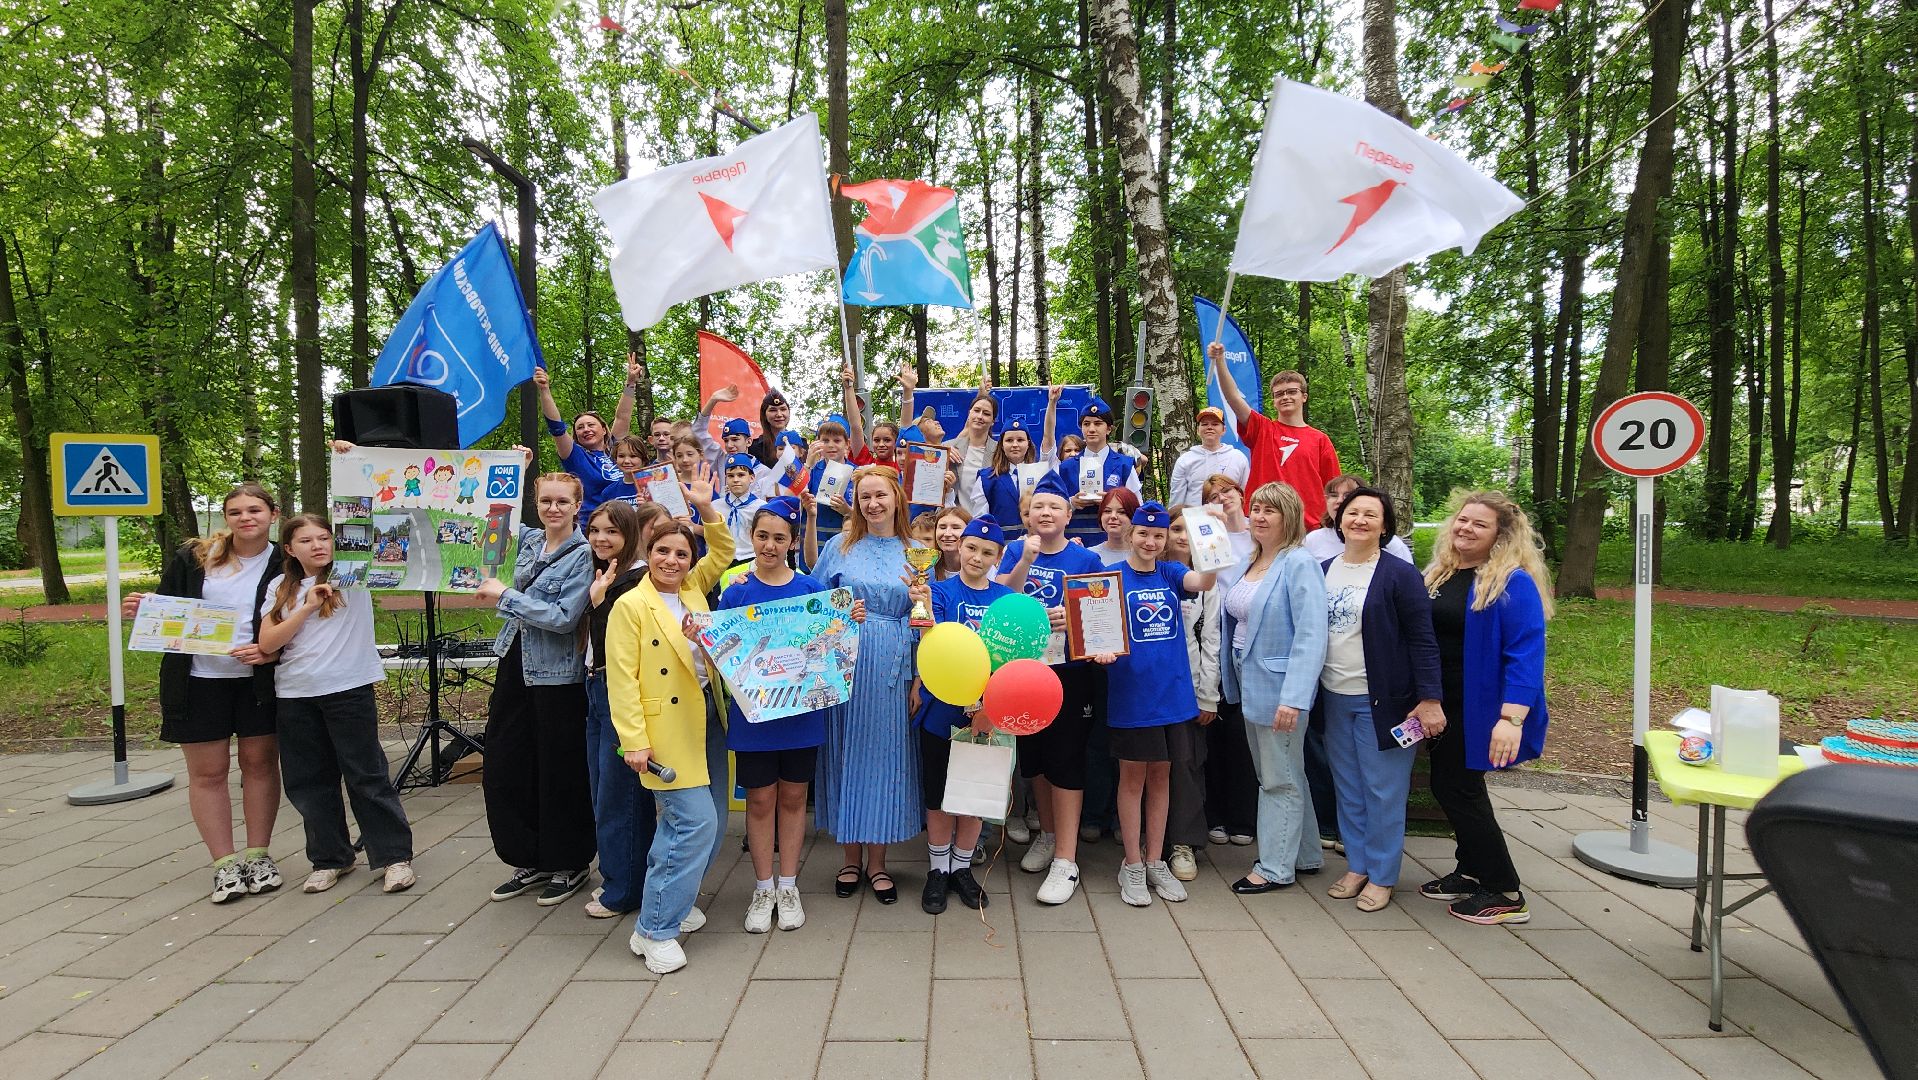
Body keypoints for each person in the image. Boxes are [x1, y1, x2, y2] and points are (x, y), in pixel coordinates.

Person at [123, 483, 286, 903]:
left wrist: (271, 653)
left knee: (260, 765)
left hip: (259, 682)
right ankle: (224, 864)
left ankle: (258, 855)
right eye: (236, 512)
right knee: (208, 773)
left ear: (273, 513)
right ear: (226, 518)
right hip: (197, 680)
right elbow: (168, 611)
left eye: (254, 510)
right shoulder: (195, 558)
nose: (246, 518)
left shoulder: (289, 560)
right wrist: (143, 612)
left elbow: (302, 621)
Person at [718, 498, 865, 932]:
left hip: (801, 713)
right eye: (762, 536)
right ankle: (763, 888)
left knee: (796, 797)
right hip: (756, 715)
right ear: (752, 537)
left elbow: (832, 646)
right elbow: (724, 650)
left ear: (792, 542)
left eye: (779, 538)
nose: (769, 545)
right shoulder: (736, 590)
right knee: (761, 800)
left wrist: (849, 619)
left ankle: (789, 884)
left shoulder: (809, 592)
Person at [605, 506, 736, 974]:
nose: (672, 560)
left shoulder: (693, 591)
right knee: (692, 825)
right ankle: (659, 926)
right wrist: (634, 740)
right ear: (648, 550)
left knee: (711, 823)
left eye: (682, 553)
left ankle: (662, 910)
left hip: (707, 721)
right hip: (663, 732)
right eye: (663, 550)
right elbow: (620, 680)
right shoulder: (631, 605)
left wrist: (708, 509)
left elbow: (723, 550)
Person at [254, 513, 414, 894]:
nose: (318, 546)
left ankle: (393, 857)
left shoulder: (353, 573)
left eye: (324, 537)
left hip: (348, 689)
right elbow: (268, 643)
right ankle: (330, 858)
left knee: (366, 774)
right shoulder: (280, 586)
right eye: (307, 541)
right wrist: (305, 606)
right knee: (309, 781)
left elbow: (387, 524)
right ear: (290, 549)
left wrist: (349, 457)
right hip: (296, 693)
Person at [1420, 491, 1553, 925]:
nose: (1466, 528)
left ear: (1500, 534)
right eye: (1462, 520)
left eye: (1479, 524)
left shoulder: (1512, 581)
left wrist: (1512, 719)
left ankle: (1506, 891)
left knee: (1460, 789)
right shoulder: (1441, 572)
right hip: (1442, 703)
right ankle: (1472, 870)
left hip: (1482, 709)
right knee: (1448, 786)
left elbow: (1526, 653)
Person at [1318, 487, 1445, 914]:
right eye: (1353, 513)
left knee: (1384, 790)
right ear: (1339, 520)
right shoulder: (1322, 569)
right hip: (1334, 697)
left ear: (1385, 525)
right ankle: (1357, 865)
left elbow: (1422, 641)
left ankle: (1384, 875)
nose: (1360, 520)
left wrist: (1430, 698)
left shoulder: (1399, 574)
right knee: (1349, 788)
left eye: (1371, 514)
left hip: (1385, 703)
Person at [477, 471, 598, 906]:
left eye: (563, 502)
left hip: (556, 676)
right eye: (546, 500)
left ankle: (569, 861)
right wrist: (516, 465)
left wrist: (506, 596)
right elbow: (482, 508)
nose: (553, 509)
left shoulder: (584, 555)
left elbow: (564, 617)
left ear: (576, 505)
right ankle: (529, 854)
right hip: (514, 664)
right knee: (509, 764)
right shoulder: (527, 541)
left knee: (559, 770)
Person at [806, 466, 922, 904]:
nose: (873, 504)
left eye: (880, 495)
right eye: (865, 497)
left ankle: (879, 862)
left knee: (886, 757)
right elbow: (814, 602)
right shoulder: (839, 546)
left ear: (897, 498)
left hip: (894, 659)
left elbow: (923, 616)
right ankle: (849, 857)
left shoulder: (916, 550)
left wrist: (919, 677)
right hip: (844, 660)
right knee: (844, 753)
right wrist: (838, 616)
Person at [1093, 501, 1217, 906]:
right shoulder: (1110, 577)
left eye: (1158, 535)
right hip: (1133, 695)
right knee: (1133, 780)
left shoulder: (1170, 572)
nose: (1150, 541)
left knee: (1163, 777)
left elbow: (1204, 582)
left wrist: (1211, 543)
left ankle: (1154, 860)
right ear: (1130, 535)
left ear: (1165, 541)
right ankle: (1130, 864)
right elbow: (1094, 628)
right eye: (1143, 534)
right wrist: (1100, 650)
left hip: (1174, 696)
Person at [997, 474, 1107, 904]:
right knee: (1034, 759)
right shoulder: (1014, 549)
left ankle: (1067, 858)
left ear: (1068, 514)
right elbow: (999, 596)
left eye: (1054, 507)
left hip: (1068, 673)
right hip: (1022, 669)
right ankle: (1046, 832)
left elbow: (1100, 619)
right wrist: (1025, 559)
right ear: (1029, 513)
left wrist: (1071, 620)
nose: (1046, 513)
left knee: (1066, 760)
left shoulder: (1085, 560)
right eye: (1038, 506)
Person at [912, 515, 1029, 914]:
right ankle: (937, 870)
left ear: (998, 558)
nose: (977, 557)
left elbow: (1011, 657)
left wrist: (987, 708)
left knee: (973, 795)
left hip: (988, 716)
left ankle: (962, 868)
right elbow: (939, 645)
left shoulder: (1003, 601)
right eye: (971, 548)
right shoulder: (939, 592)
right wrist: (921, 605)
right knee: (940, 794)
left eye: (987, 552)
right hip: (940, 712)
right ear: (958, 548)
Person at [1218, 482, 1330, 894]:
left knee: (1276, 778)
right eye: (1257, 508)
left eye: (1271, 510)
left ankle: (1275, 867)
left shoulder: (1298, 562)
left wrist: (1295, 698)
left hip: (1280, 687)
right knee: (1287, 771)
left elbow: (1311, 634)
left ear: (1290, 518)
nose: (1260, 516)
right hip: (1250, 681)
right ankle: (1305, 855)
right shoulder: (1253, 559)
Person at [579, 500, 663, 920]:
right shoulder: (605, 574)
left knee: (621, 794)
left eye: (610, 531)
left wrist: (597, 603)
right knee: (602, 788)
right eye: (594, 530)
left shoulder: (637, 580)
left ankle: (625, 888)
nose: (600, 538)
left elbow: (624, 641)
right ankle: (620, 876)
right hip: (595, 684)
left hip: (619, 690)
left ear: (629, 533)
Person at [1207, 342, 1341, 523]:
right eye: (1279, 394)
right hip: (1263, 524)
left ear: (1304, 397)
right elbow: (1233, 397)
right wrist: (1220, 360)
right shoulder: (1262, 429)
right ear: (1274, 401)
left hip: (1308, 527)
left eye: (1292, 392)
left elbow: (1334, 491)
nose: (1285, 397)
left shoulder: (1320, 440)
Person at [1162, 507, 1220, 883]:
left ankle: (1183, 842)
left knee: (1185, 763)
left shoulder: (1205, 586)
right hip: (1148, 686)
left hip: (1190, 684)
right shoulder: (1147, 571)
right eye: (1176, 528)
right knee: (1145, 764)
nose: (1182, 536)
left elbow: (1212, 639)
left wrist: (1208, 695)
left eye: (1190, 531)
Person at [532, 359, 642, 518]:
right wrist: (544, 390)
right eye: (580, 428)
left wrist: (631, 383)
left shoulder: (617, 449)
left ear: (604, 430)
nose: (586, 430)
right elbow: (557, 428)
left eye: (591, 425)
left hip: (629, 523)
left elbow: (623, 417)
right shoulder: (576, 457)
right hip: (595, 527)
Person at [966, 387, 1061, 538]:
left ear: (1029, 444)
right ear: (1001, 445)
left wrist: (1052, 403)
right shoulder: (987, 478)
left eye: (1020, 440)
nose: (1015, 444)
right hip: (1004, 549)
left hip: (1039, 544)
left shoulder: (1040, 471)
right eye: (1009, 440)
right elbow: (981, 520)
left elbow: (1048, 437)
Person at [1055, 399, 1142, 546]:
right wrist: (1072, 503)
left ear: (1109, 429)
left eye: (1098, 423)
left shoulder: (1124, 465)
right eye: (1086, 424)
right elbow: (1053, 507)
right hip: (1075, 542)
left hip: (1114, 542)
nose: (1091, 429)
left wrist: (1112, 501)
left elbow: (1138, 506)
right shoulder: (1066, 467)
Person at [1304, 474, 1415, 563]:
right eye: (1333, 495)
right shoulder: (1313, 540)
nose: (1339, 501)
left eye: (1347, 496)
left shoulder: (1392, 545)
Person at [1168, 406, 1251, 508]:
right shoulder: (1185, 460)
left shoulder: (1238, 457)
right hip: (1195, 520)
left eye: (1215, 424)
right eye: (1205, 424)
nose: (1209, 427)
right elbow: (1176, 498)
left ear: (1224, 430)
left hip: (1229, 520)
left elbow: (1245, 493)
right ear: (1198, 430)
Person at [747, 387, 797, 468]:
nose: (779, 414)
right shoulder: (753, 448)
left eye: (783, 409)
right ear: (764, 415)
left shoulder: (800, 443)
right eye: (773, 410)